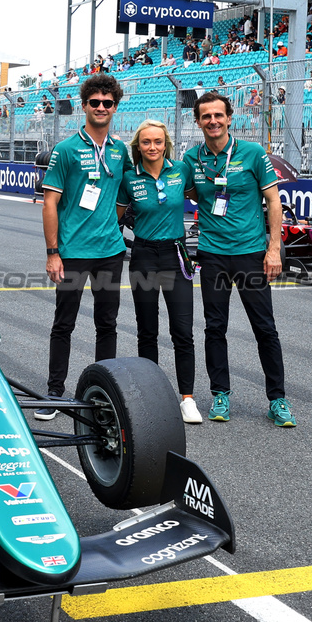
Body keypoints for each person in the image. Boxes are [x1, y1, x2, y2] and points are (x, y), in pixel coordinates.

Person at [182, 92, 294, 427]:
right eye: (206, 116)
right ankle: (220, 394)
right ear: (199, 121)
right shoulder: (192, 159)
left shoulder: (253, 153)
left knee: (265, 328)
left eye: (219, 115)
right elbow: (186, 192)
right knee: (215, 328)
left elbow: (274, 203)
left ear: (230, 118)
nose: (213, 121)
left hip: (250, 254)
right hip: (213, 254)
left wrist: (273, 249)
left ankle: (278, 399)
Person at [38, 73, 132, 420]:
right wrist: (53, 252)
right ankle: (54, 392)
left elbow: (123, 196)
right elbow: (50, 204)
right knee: (64, 323)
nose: (102, 107)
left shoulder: (121, 149)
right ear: (84, 105)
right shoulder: (66, 149)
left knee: (107, 323)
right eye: (95, 102)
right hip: (73, 253)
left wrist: (112, 223)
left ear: (115, 107)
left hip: (110, 252)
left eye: (108, 103)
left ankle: (103, 393)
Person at [116, 119, 201, 423]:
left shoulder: (181, 170)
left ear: (167, 144)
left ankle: (187, 398)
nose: (153, 147)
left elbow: (202, 197)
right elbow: (113, 217)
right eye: (146, 142)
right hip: (144, 256)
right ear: (137, 146)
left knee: (183, 331)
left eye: (158, 142)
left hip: (176, 255)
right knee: (147, 330)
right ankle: (151, 394)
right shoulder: (129, 178)